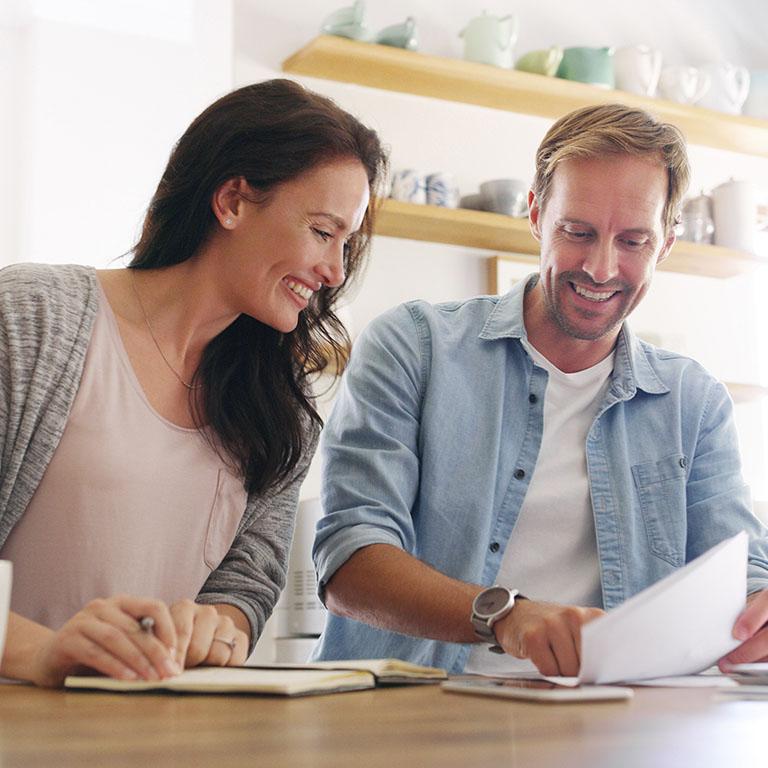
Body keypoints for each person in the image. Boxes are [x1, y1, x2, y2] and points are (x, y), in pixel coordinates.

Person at [311, 103, 768, 677]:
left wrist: (759, 606)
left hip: (612, 715)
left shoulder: (693, 402)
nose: (601, 268)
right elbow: (350, 560)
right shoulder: (415, 347)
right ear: (535, 214)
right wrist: (505, 615)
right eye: (578, 232)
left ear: (667, 243)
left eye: (633, 241)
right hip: (417, 708)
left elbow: (739, 570)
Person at [0, 78, 387, 687]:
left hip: (157, 731)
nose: (335, 271)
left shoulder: (282, 405)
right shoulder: (32, 316)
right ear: (232, 201)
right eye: (321, 231)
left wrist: (216, 630)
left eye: (347, 243)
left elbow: (244, 587)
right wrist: (45, 654)